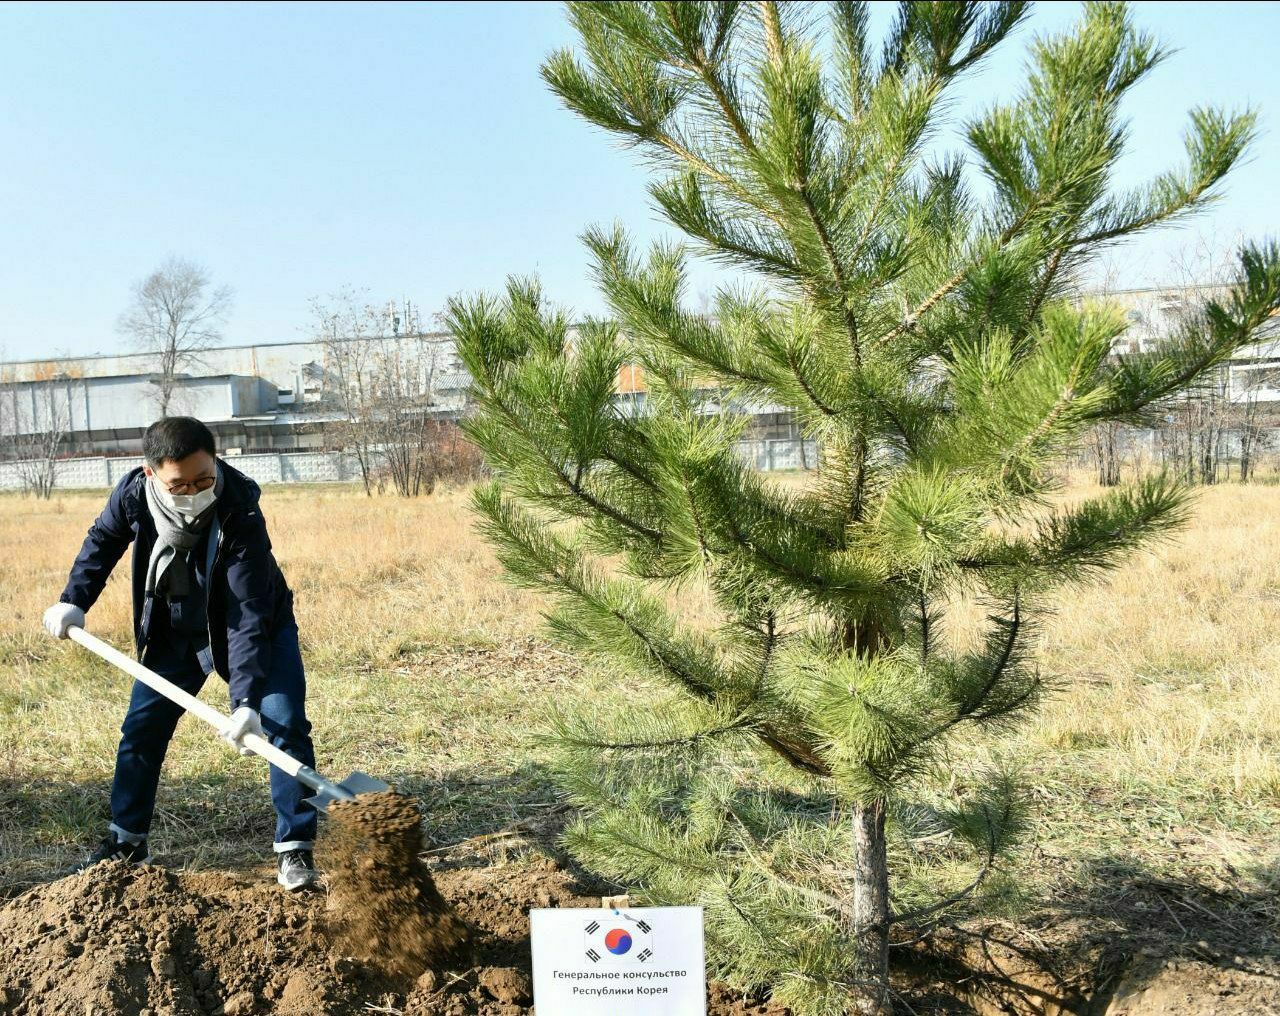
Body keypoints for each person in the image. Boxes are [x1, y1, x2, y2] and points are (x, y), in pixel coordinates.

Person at [41, 416, 320, 890]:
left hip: (256, 628)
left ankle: (294, 850)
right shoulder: (133, 495)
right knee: (142, 731)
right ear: (151, 474)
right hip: (175, 630)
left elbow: (247, 611)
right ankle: (127, 840)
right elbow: (102, 541)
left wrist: (247, 701)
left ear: (215, 462)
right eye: (180, 483)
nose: (193, 490)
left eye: (203, 478)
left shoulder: (240, 509)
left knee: (283, 724)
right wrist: (74, 600)